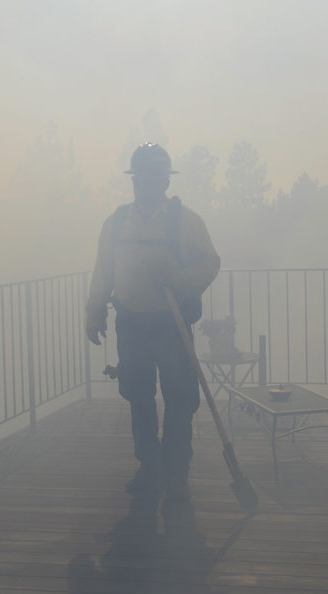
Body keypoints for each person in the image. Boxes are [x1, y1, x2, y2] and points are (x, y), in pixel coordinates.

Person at [85, 143, 220, 501]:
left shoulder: (186, 222)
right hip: (132, 324)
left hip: (172, 324)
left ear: (165, 181)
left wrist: (179, 279)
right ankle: (149, 467)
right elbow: (104, 271)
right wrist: (94, 311)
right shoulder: (117, 224)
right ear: (135, 181)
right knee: (139, 397)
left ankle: (175, 471)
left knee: (179, 398)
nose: (147, 184)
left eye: (154, 178)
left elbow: (210, 263)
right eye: (142, 178)